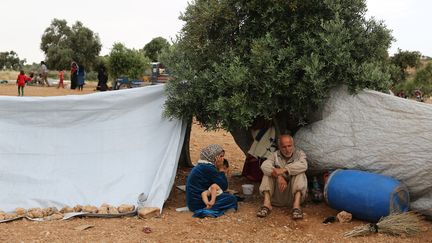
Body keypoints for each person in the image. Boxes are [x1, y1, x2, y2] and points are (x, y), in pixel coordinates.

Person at [256, 134, 308, 220]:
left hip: (292, 197)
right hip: (276, 197)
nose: (287, 150)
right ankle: (267, 205)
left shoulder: (299, 154)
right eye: (284, 147)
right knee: (268, 173)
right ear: (279, 147)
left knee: (300, 173)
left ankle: (296, 207)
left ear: (293, 145)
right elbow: (264, 166)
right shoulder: (274, 155)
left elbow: (304, 165)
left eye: (289, 146)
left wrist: (285, 169)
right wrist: (278, 176)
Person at [186, 144, 237, 218]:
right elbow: (224, 186)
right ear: (214, 157)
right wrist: (221, 169)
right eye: (221, 156)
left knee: (227, 196)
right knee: (232, 198)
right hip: (199, 204)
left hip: (193, 202)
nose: (222, 159)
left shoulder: (202, 166)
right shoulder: (209, 168)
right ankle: (209, 210)